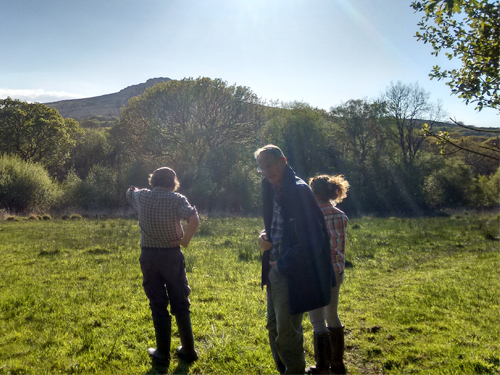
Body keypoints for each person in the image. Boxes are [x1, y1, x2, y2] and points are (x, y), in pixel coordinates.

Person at [255, 144, 334, 375]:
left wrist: (282, 264)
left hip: (291, 270)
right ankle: (286, 370)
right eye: (262, 168)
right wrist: (264, 237)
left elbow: (313, 240)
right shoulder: (269, 187)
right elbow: (279, 225)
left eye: (270, 165)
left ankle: (294, 371)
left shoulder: (299, 191)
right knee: (273, 326)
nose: (267, 171)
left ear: (284, 161)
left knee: (287, 331)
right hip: (274, 265)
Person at [126, 167, 199, 369]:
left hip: (149, 256)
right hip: (171, 255)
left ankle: (162, 354)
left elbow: (129, 191)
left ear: (153, 180)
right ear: (173, 182)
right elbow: (194, 219)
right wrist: (185, 240)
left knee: (158, 303)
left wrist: (138, 189)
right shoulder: (177, 199)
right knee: (180, 301)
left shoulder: (140, 196)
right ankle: (188, 350)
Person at [306, 174, 350, 375]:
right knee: (333, 314)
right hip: (337, 270)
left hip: (317, 274)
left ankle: (322, 366)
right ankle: (337, 363)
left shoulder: (311, 216)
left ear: (312, 193)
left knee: (317, 319)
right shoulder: (341, 216)